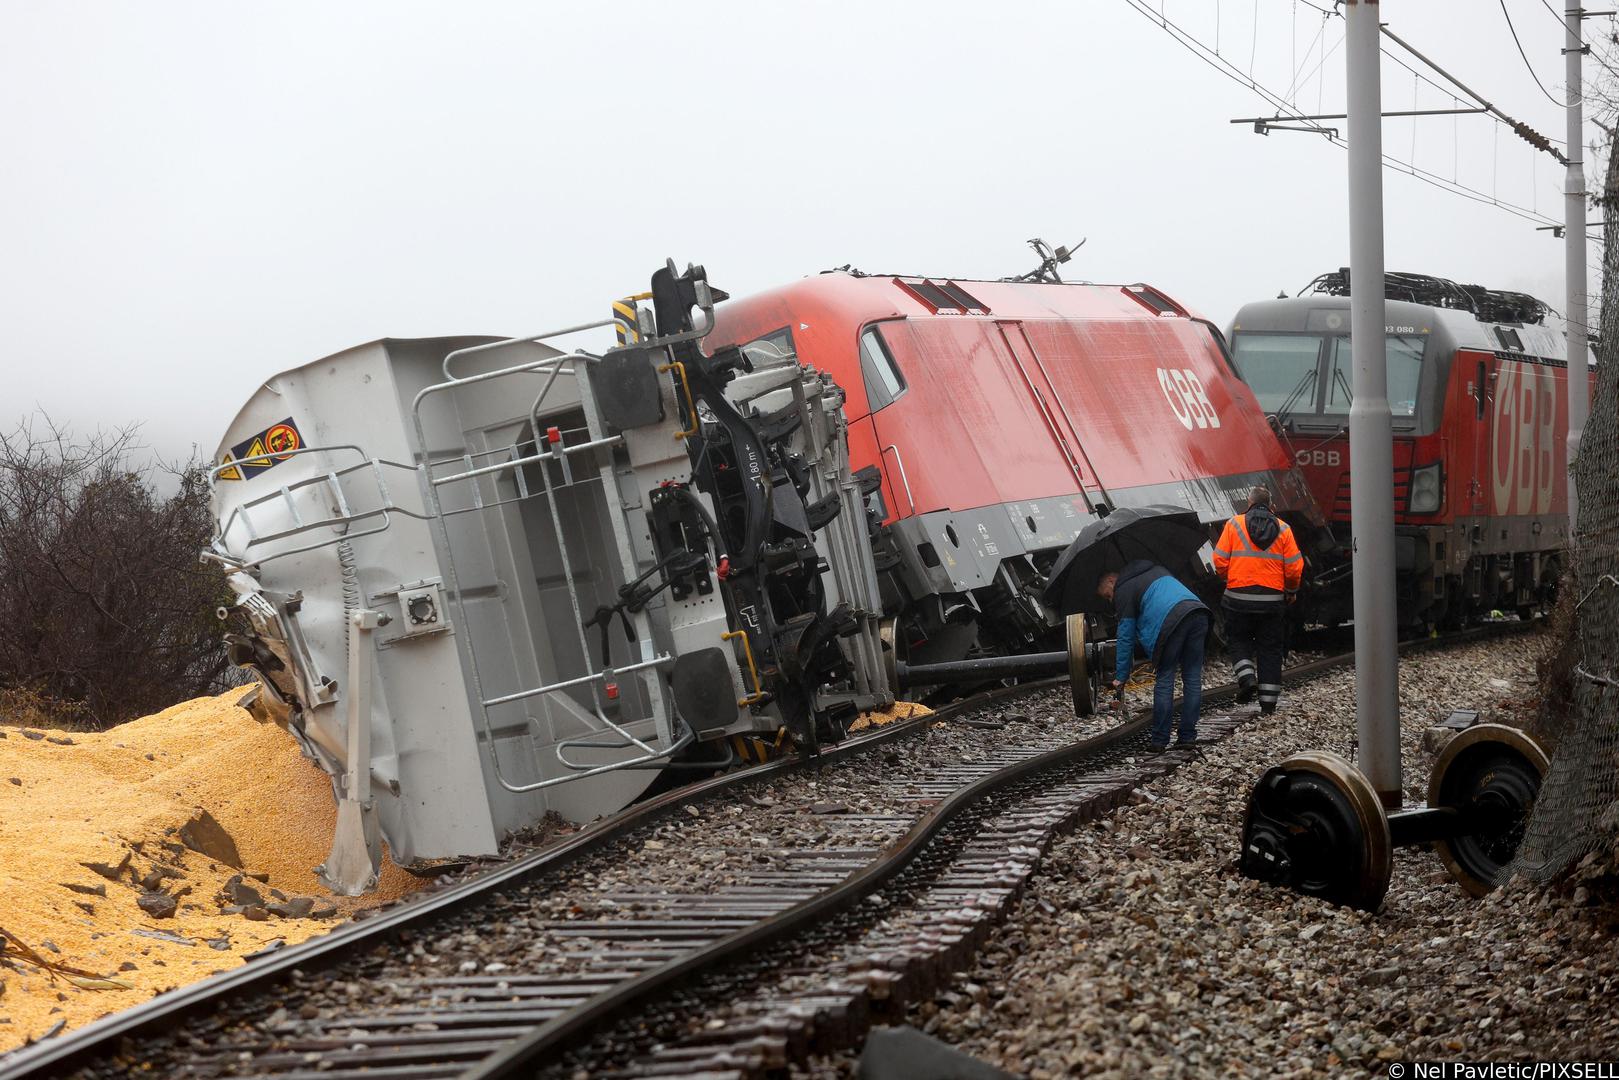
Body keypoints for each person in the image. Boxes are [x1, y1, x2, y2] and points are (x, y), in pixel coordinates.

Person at [1098, 560, 1211, 752]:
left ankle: (1159, 741)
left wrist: (1121, 676)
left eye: (1108, 595)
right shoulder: (1159, 569)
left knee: (1165, 679)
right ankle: (1187, 737)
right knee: (1192, 678)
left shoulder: (1123, 590)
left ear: (1111, 580)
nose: (1111, 600)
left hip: (1172, 622)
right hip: (1198, 613)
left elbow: (1125, 637)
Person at [1213, 485, 1304, 715]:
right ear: (1272, 506)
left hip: (1238, 599)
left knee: (1238, 639)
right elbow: (1294, 567)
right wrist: (1291, 590)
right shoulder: (1284, 529)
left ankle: (1246, 677)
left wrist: (1230, 578)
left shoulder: (1234, 524)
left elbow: (1220, 560)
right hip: (1272, 602)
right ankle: (1268, 704)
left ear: (1249, 503)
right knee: (1270, 648)